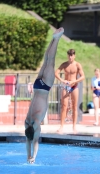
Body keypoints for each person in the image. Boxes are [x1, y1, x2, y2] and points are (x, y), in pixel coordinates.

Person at [25, 28, 64, 164]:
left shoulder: (35, 123)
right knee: (46, 59)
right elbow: (28, 142)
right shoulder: (27, 121)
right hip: (37, 87)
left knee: (51, 60)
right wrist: (28, 155)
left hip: (45, 87)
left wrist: (33, 157)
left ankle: (57, 38)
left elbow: (34, 142)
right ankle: (54, 38)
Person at [55, 49, 85, 133]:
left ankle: (74, 126)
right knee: (64, 106)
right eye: (69, 55)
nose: (70, 57)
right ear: (67, 55)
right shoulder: (64, 64)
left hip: (74, 86)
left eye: (72, 55)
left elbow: (83, 76)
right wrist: (62, 80)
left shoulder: (77, 65)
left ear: (74, 56)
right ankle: (61, 126)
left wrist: (74, 81)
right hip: (66, 86)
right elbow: (56, 73)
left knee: (74, 106)